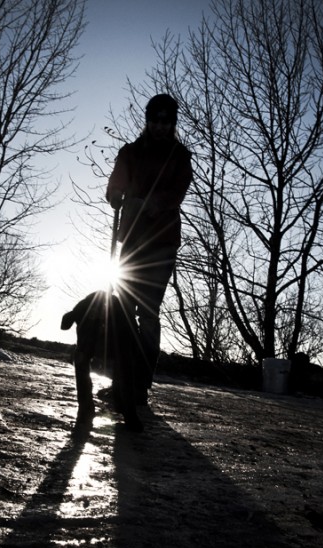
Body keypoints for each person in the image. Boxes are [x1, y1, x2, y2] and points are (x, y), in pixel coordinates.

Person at [106, 93, 193, 405]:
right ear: (147, 120)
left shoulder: (179, 157)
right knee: (123, 310)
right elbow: (116, 183)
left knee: (147, 310)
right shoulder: (130, 152)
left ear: (172, 123)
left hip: (161, 243)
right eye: (154, 120)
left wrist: (150, 205)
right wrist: (116, 194)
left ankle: (140, 384)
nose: (159, 126)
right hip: (131, 241)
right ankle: (120, 380)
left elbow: (176, 194)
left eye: (165, 121)